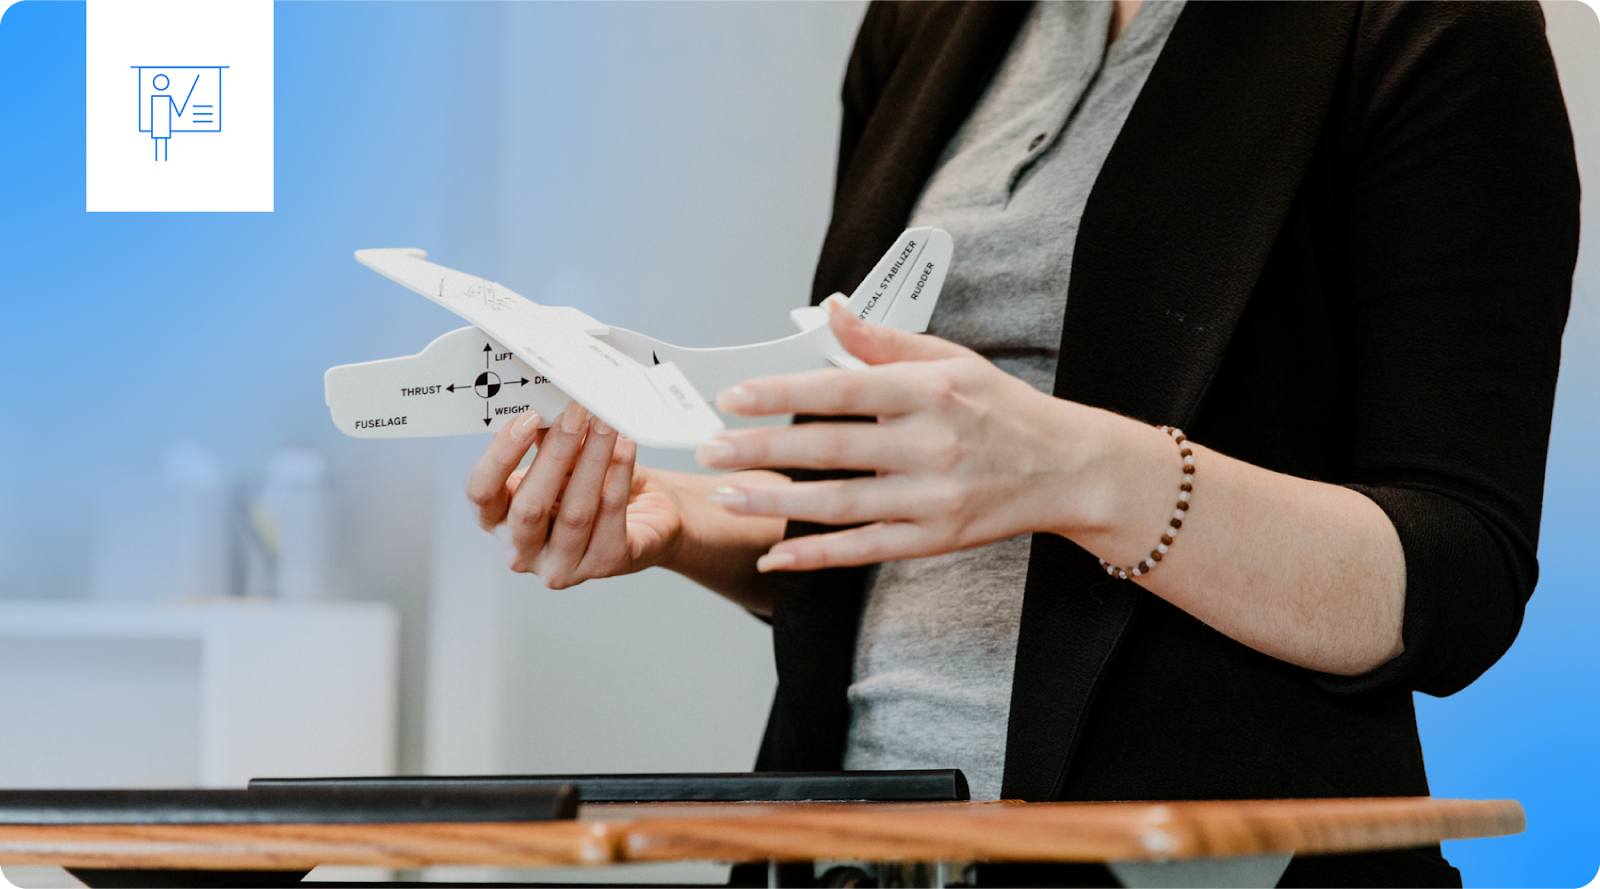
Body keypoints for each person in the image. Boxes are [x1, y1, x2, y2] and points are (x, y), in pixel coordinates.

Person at [467, 0, 1579, 884]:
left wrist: (1081, 473)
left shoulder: (1435, 25)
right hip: (854, 844)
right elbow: (907, 495)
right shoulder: (924, 24)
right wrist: (683, 522)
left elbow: (1455, 579)